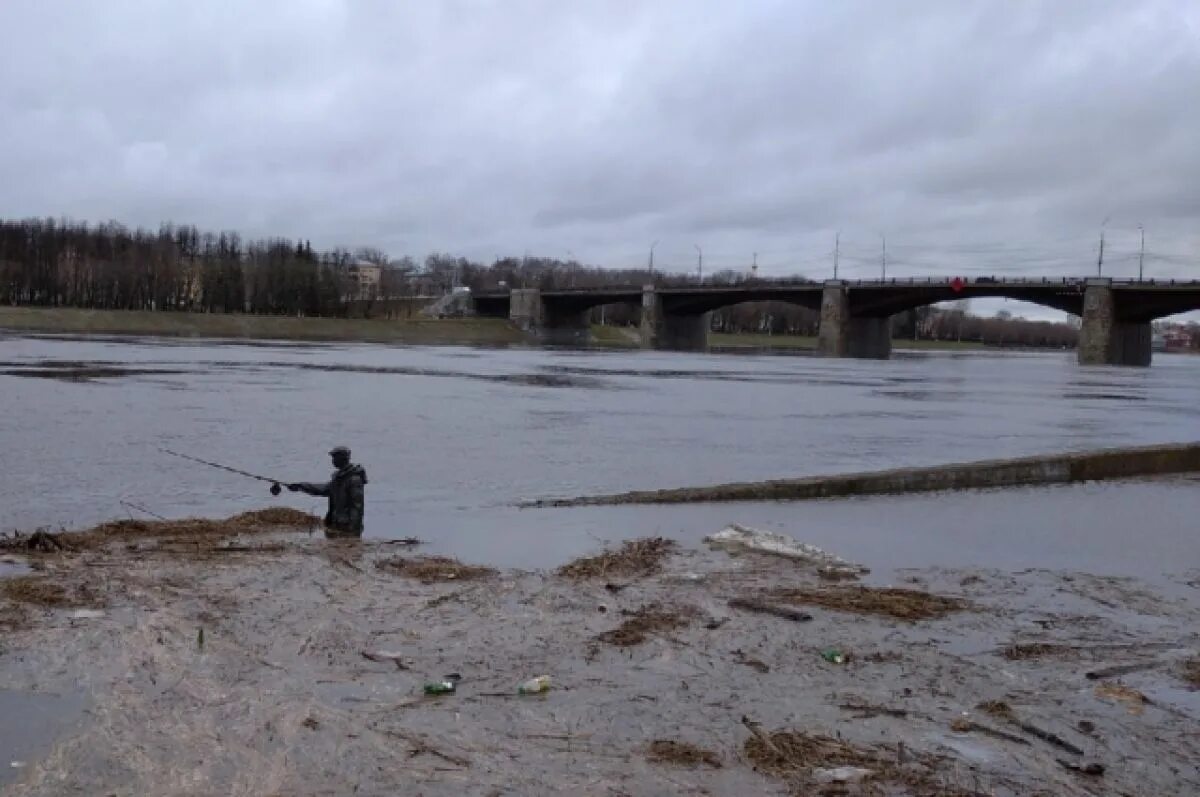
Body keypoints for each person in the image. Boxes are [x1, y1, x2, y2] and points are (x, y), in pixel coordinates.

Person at [287, 446, 367, 537]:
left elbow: (357, 508)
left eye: (334, 457)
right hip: (335, 524)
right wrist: (301, 486)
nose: (333, 460)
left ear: (343, 458)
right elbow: (323, 489)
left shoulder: (354, 480)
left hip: (347, 527)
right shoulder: (338, 478)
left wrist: (353, 531)